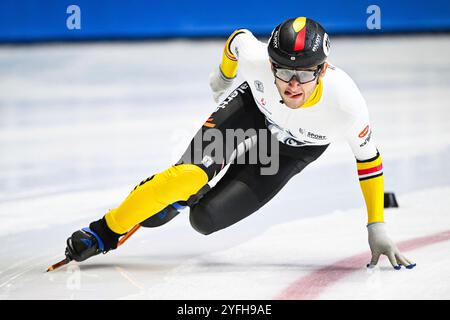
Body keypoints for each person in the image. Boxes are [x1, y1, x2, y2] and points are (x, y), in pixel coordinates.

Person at [64, 17, 415, 270]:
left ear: (322, 70)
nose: (293, 84)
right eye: (282, 71)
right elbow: (237, 39)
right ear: (270, 63)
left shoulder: (346, 104)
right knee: (188, 177)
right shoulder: (258, 61)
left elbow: (369, 160)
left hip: (292, 148)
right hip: (252, 111)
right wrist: (225, 76)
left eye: (305, 74)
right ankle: (103, 232)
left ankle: (181, 200)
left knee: (204, 219)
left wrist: (376, 225)